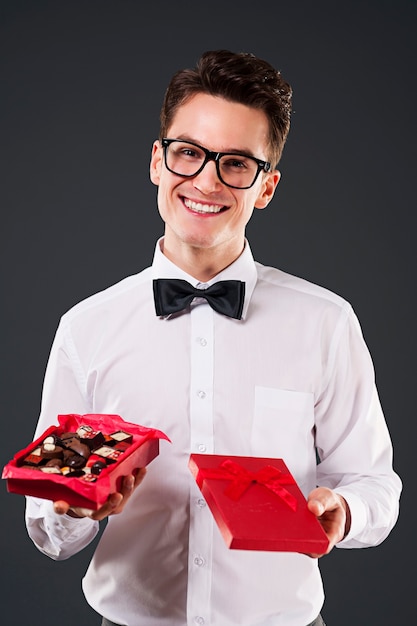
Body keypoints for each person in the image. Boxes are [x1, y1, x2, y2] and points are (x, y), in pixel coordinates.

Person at [25, 49, 401, 626]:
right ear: (157, 161)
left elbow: (373, 483)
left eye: (236, 164)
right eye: (189, 153)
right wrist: (76, 504)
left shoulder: (326, 322)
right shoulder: (85, 328)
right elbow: (53, 535)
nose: (205, 180)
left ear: (267, 186)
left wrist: (341, 510)